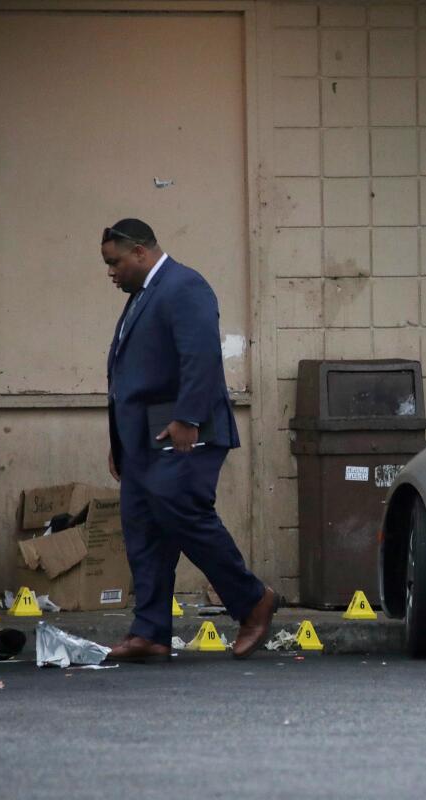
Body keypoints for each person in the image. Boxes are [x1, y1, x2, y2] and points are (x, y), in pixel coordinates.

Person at [101, 218, 276, 662]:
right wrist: (120, 439)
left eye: (115, 261)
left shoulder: (184, 286)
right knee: (142, 525)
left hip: (184, 427)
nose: (111, 272)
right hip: (143, 435)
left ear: (140, 251)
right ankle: (151, 631)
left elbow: (200, 356)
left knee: (180, 510)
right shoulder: (145, 296)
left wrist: (187, 418)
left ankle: (252, 599)